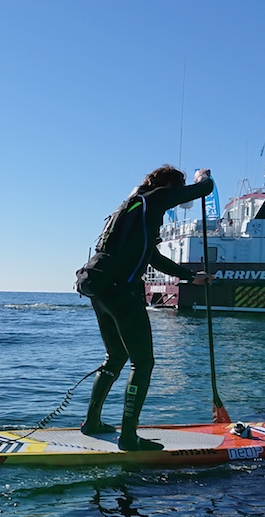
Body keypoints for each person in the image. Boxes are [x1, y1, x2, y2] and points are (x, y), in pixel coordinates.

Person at [75, 165, 213, 450]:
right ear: (170, 186)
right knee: (143, 362)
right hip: (120, 290)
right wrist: (203, 178)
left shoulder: (131, 208)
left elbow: (153, 257)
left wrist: (190, 277)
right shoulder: (157, 197)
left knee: (115, 357)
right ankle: (128, 437)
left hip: (97, 285)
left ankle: (92, 422)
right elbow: (204, 190)